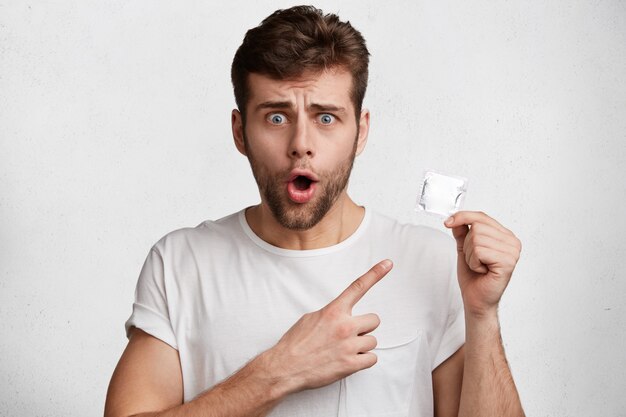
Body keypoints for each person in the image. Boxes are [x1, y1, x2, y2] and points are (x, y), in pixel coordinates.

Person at [105, 5, 524, 417]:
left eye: (326, 117)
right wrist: (279, 371)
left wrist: (482, 315)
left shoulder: (431, 261)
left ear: (360, 132)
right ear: (240, 132)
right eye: (275, 117)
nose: (300, 143)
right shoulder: (180, 264)